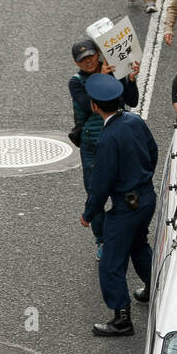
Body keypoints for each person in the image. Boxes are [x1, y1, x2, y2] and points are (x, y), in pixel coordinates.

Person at [81, 74, 159, 337]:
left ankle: (122, 319)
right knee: (138, 244)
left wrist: (89, 213)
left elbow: (101, 183)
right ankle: (156, 287)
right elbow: (154, 150)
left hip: (126, 206)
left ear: (94, 105)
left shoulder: (107, 138)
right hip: (146, 197)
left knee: (111, 261)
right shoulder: (135, 121)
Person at [69, 40, 140, 261]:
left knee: (126, 190)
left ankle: (128, 235)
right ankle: (101, 240)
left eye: (91, 56)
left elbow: (132, 100)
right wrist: (102, 77)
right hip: (92, 146)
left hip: (118, 142)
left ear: (99, 53)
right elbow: (87, 105)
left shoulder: (113, 69)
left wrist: (129, 79)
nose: (88, 61)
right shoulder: (76, 82)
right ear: (76, 62)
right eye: (83, 60)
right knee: (95, 195)